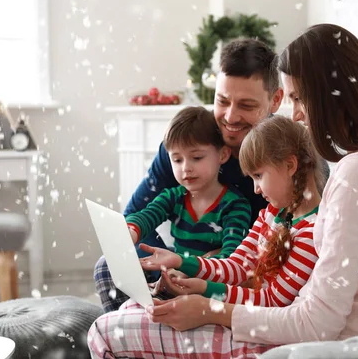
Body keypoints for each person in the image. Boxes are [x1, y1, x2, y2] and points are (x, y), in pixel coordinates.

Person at [88, 24, 358, 358]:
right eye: (223, 101)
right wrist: (187, 268)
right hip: (263, 310)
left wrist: (210, 305)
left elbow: (307, 313)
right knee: (128, 297)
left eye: (299, 99)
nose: (298, 116)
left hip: (290, 331)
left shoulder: (343, 172)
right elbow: (242, 263)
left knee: (105, 331)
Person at [94, 38, 284, 312]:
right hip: (181, 265)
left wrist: (209, 265)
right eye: (223, 101)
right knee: (108, 266)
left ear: (275, 100)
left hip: (249, 276)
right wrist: (170, 264)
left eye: (246, 105)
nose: (230, 116)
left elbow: (297, 241)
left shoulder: (290, 154)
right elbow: (134, 216)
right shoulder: (187, 144)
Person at [138, 116, 323, 307]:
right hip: (241, 312)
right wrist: (179, 261)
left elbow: (272, 300)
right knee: (133, 308)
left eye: (258, 176)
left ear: (290, 165)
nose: (255, 189)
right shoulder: (270, 214)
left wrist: (203, 289)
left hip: (255, 324)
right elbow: (235, 267)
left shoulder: (311, 232)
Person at [125, 106, 251, 268]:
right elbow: (145, 216)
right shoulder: (173, 197)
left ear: (222, 155)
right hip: (174, 276)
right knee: (105, 268)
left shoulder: (235, 205)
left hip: (211, 286)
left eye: (196, 157)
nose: (186, 168)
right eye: (177, 160)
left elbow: (232, 256)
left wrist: (185, 268)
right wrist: (132, 231)